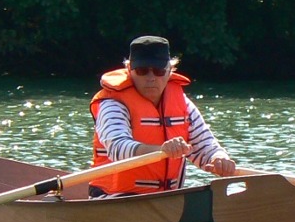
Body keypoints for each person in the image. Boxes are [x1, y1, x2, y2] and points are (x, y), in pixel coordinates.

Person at [89, 35, 237, 197]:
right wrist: (161, 150)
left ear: (170, 70)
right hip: (112, 197)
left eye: (159, 71)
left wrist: (219, 158)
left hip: (165, 199)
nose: (151, 78)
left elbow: (205, 146)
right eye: (142, 71)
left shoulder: (182, 103)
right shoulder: (112, 103)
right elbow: (118, 148)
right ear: (129, 70)